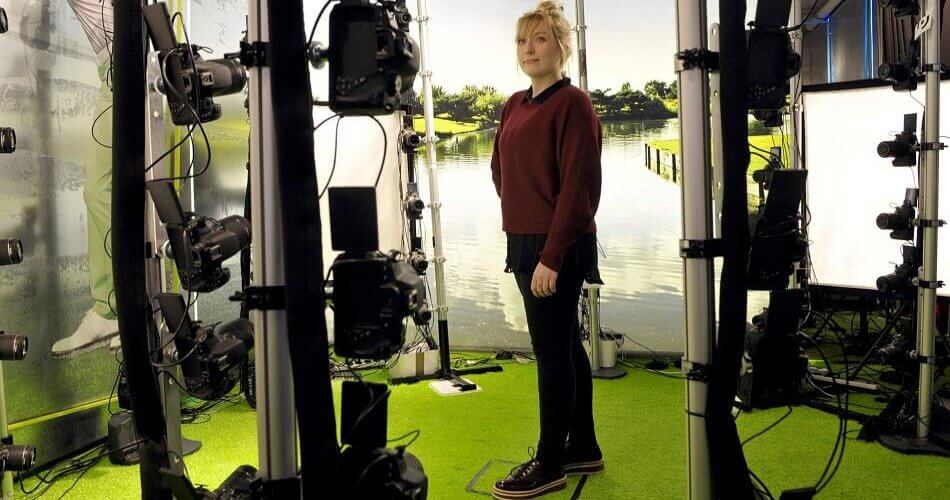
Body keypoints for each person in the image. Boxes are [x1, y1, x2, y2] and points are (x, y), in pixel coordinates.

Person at [489, 1, 603, 498]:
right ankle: (584, 447)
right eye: (522, 41)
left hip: (559, 244)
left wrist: (551, 255)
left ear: (562, 47)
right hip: (524, 240)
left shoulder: (573, 103)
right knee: (566, 345)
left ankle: (550, 463)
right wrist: (521, 215)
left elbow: (579, 188)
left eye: (539, 39)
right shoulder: (514, 103)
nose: (529, 50)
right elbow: (499, 168)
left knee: (551, 353)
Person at [52, 0, 119, 356]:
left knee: (105, 188)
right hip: (117, 65)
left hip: (132, 60)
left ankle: (121, 307)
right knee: (103, 189)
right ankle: (114, 307)